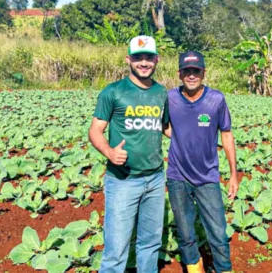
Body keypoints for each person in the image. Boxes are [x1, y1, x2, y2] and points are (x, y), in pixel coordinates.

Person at [88, 35, 170, 273]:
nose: (143, 63)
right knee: (116, 249)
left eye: (148, 57)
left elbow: (165, 127)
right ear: (128, 59)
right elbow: (95, 130)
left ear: (157, 59)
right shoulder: (113, 92)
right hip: (123, 180)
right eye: (138, 58)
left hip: (155, 179)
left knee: (151, 244)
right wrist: (109, 152)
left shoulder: (161, 93)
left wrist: (194, 139)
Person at [164, 51, 238, 273]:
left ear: (203, 73)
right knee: (185, 232)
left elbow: (226, 134)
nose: (191, 75)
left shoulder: (216, 99)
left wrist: (234, 175)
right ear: (179, 74)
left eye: (196, 71)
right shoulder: (170, 98)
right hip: (177, 177)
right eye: (187, 71)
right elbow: (162, 125)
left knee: (218, 231)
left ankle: (224, 268)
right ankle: (194, 268)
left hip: (207, 177)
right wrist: (178, 136)